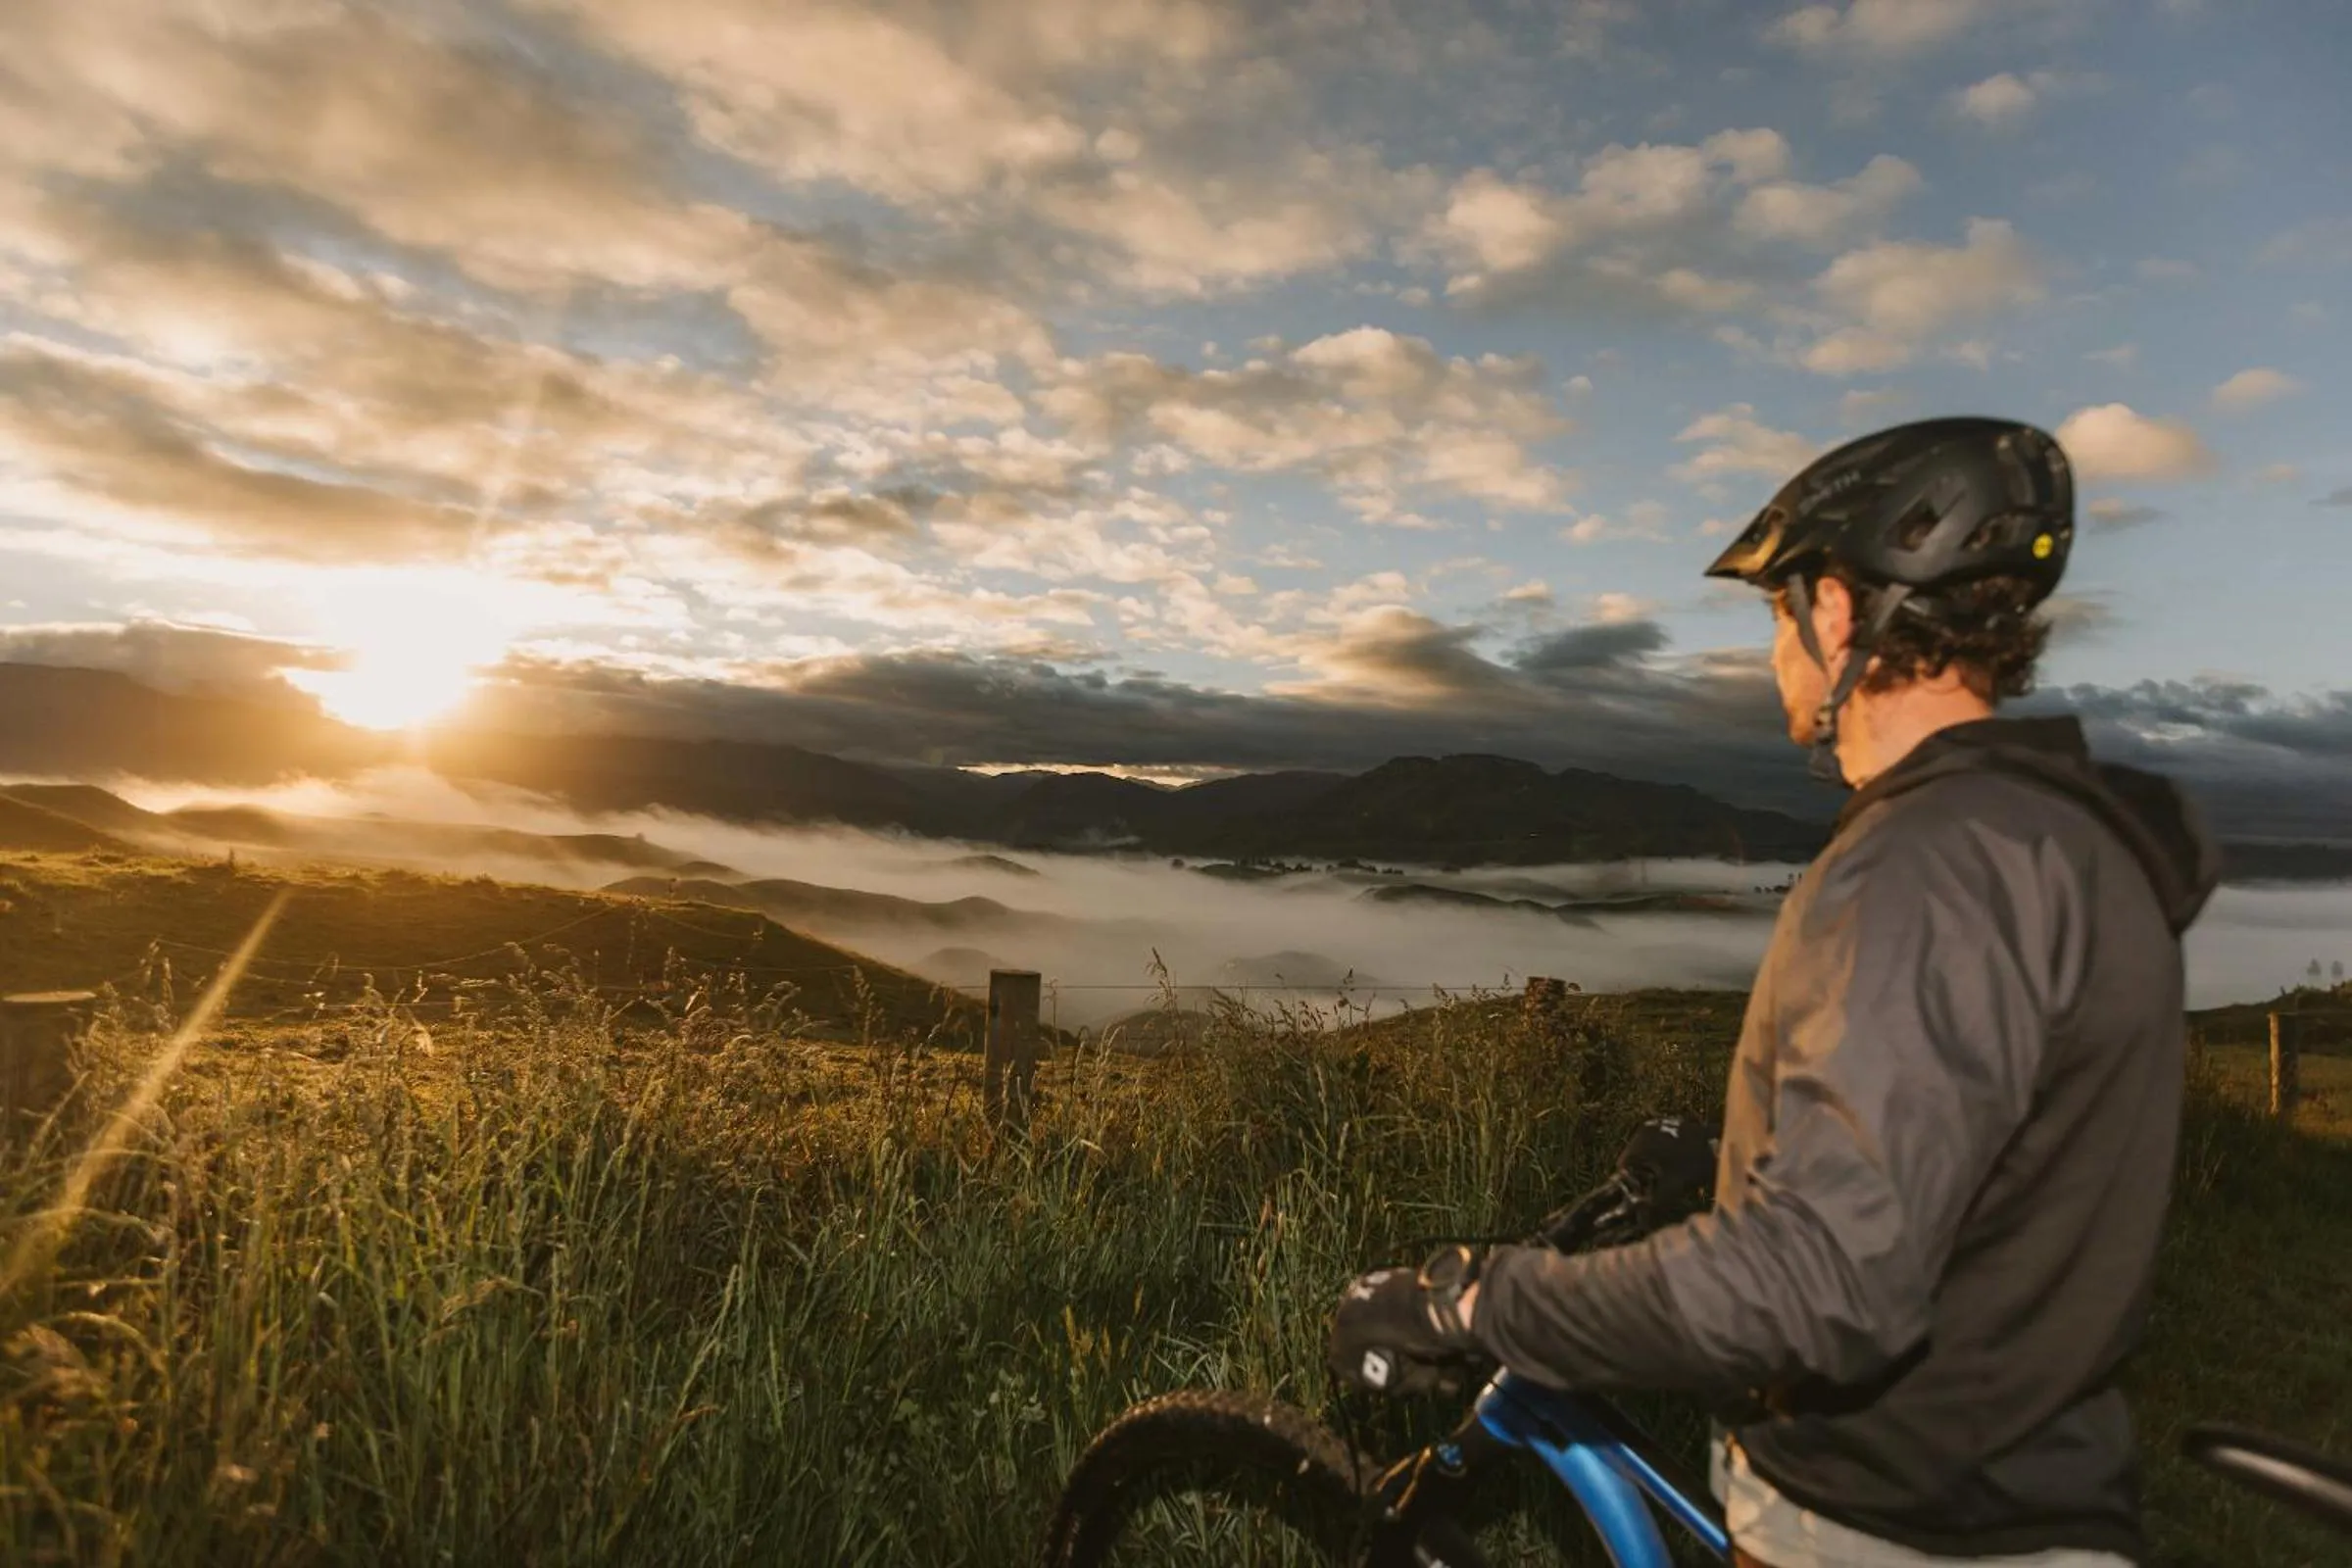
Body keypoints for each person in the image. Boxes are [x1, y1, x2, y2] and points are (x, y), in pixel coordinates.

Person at [1326, 416, 2223, 1567]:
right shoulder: (2072, 845)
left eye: (1777, 613)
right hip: (2025, 1482)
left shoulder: (1926, 864)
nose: (1774, 653)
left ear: (1839, 611)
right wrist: (1759, 1147)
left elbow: (1822, 1279)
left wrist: (1478, 1300)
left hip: (1881, 1522)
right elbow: (1977, 1134)